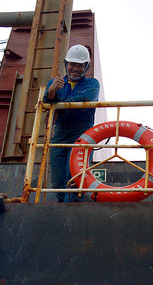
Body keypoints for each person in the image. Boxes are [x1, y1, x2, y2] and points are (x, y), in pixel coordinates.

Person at [43, 44, 100, 202]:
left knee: (75, 180)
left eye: (80, 65)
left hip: (81, 136)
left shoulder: (92, 84)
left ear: (86, 66)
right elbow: (46, 101)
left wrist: (59, 105)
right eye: (72, 64)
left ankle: (75, 208)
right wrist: (51, 91)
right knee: (58, 181)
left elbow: (85, 99)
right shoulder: (54, 84)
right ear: (66, 64)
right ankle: (63, 207)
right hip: (60, 136)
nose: (75, 68)